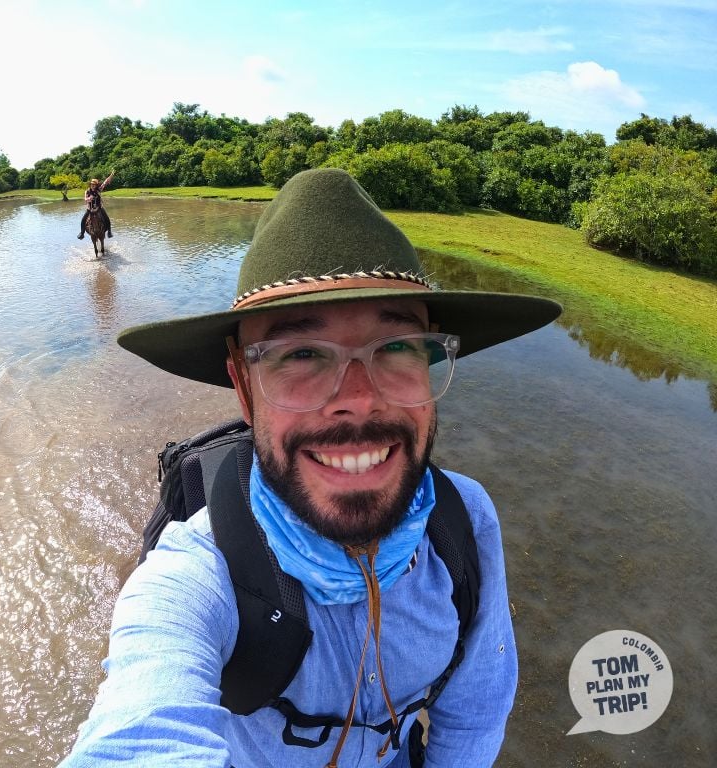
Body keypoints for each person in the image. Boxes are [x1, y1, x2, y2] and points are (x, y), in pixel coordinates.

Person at [61, 168, 562, 767]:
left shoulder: (465, 519)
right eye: (300, 353)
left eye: (398, 347)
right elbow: (138, 738)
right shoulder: (196, 574)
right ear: (243, 390)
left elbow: (476, 710)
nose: (359, 398)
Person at [78, 171, 114, 240]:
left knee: (107, 218)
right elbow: (85, 199)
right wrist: (89, 199)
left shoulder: (99, 189)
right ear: (90, 185)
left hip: (99, 208)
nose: (93, 185)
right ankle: (82, 233)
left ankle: (109, 232)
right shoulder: (87, 191)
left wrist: (111, 175)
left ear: (96, 185)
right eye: (92, 184)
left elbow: (105, 182)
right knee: (83, 219)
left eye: (94, 184)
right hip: (90, 209)